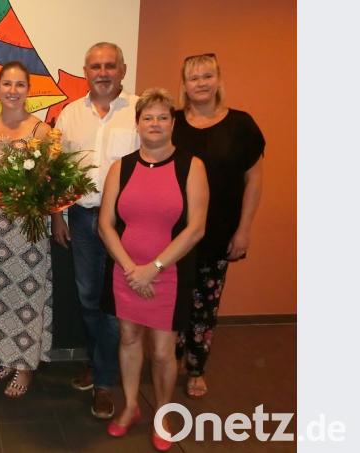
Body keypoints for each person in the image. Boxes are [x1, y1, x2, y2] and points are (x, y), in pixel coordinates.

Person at [99, 88, 208, 451]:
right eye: (148, 117)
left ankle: (162, 414)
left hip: (170, 274)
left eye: (163, 117)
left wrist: (153, 268)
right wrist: (132, 269)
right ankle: (131, 407)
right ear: (138, 124)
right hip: (125, 271)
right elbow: (105, 224)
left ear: (173, 123)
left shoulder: (191, 166)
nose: (155, 123)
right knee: (128, 339)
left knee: (163, 352)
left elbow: (196, 228)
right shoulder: (122, 167)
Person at [51, 42, 139, 419]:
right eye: (95, 66)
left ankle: (103, 381)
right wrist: (58, 215)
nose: (102, 72)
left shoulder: (140, 111)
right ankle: (99, 361)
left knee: (115, 303)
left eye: (109, 66)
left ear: (122, 69)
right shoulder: (70, 114)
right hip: (84, 220)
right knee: (89, 299)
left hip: (128, 223)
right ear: (85, 71)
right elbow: (57, 169)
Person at [172, 53, 265, 399]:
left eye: (207, 76)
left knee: (205, 304)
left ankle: (197, 368)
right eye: (194, 78)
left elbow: (254, 180)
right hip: (175, 233)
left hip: (219, 231)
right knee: (175, 299)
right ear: (184, 85)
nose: (201, 83)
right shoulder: (173, 122)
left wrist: (244, 229)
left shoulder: (241, 125)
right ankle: (173, 358)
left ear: (218, 79)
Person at [0, 61, 53, 398]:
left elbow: (49, 182)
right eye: (7, 84)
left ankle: (24, 365)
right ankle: (3, 355)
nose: (13, 91)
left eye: (20, 85)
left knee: (25, 296)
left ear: (28, 90)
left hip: (25, 231)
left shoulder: (41, 132)